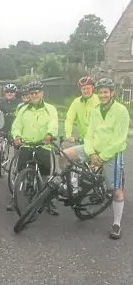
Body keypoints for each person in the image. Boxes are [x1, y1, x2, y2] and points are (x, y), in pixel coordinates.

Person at [60, 78, 129, 239]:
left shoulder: (121, 111)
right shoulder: (96, 110)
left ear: (112, 93)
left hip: (112, 153)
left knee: (116, 191)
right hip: (94, 149)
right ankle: (73, 185)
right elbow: (89, 135)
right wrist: (91, 153)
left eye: (106, 92)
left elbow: (119, 139)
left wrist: (102, 157)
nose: (103, 95)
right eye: (101, 92)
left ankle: (117, 224)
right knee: (65, 155)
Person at [11, 80, 59, 215]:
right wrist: (16, 136)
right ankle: (16, 198)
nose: (34, 95)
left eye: (37, 92)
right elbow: (16, 126)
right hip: (26, 144)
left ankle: (48, 200)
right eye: (32, 93)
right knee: (20, 172)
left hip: (43, 144)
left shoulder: (50, 109)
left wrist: (50, 134)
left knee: (44, 176)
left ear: (42, 93)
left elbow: (54, 124)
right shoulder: (23, 109)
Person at [6, 85, 30, 211]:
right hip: (21, 141)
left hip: (36, 142)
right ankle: (15, 197)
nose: (26, 98)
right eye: (24, 96)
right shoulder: (20, 107)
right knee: (18, 169)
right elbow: (15, 123)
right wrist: (16, 136)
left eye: (28, 95)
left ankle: (45, 200)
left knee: (43, 172)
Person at [64, 76, 100, 142]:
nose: (85, 91)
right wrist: (68, 134)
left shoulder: (99, 100)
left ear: (92, 88)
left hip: (99, 141)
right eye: (83, 89)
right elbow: (69, 119)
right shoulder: (76, 102)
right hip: (84, 140)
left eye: (88, 88)